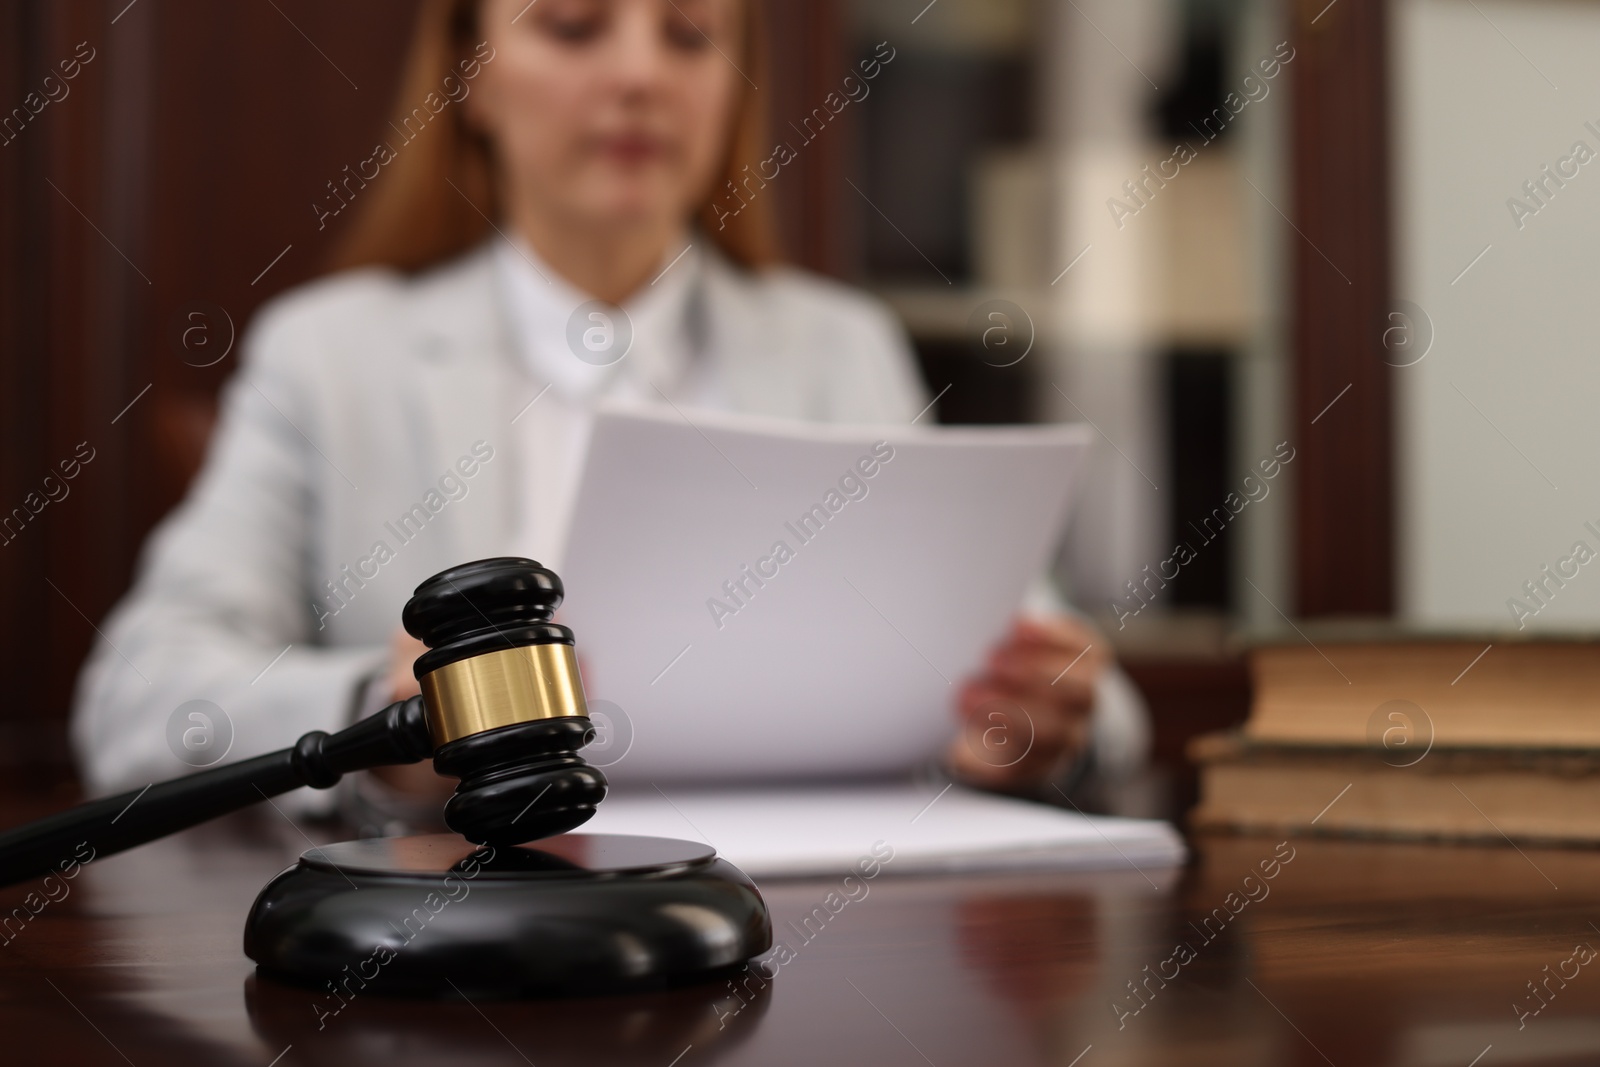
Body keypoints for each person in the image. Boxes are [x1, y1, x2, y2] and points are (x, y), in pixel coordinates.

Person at [71, 0, 1147, 819]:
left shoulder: (839, 348)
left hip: (797, 938)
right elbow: (137, 699)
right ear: (471, 79)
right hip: (460, 965)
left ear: (734, 87)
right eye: (575, 25)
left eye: (687, 34)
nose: (639, 74)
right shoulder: (331, 354)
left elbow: (1089, 689)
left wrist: (1047, 715)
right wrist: (377, 712)